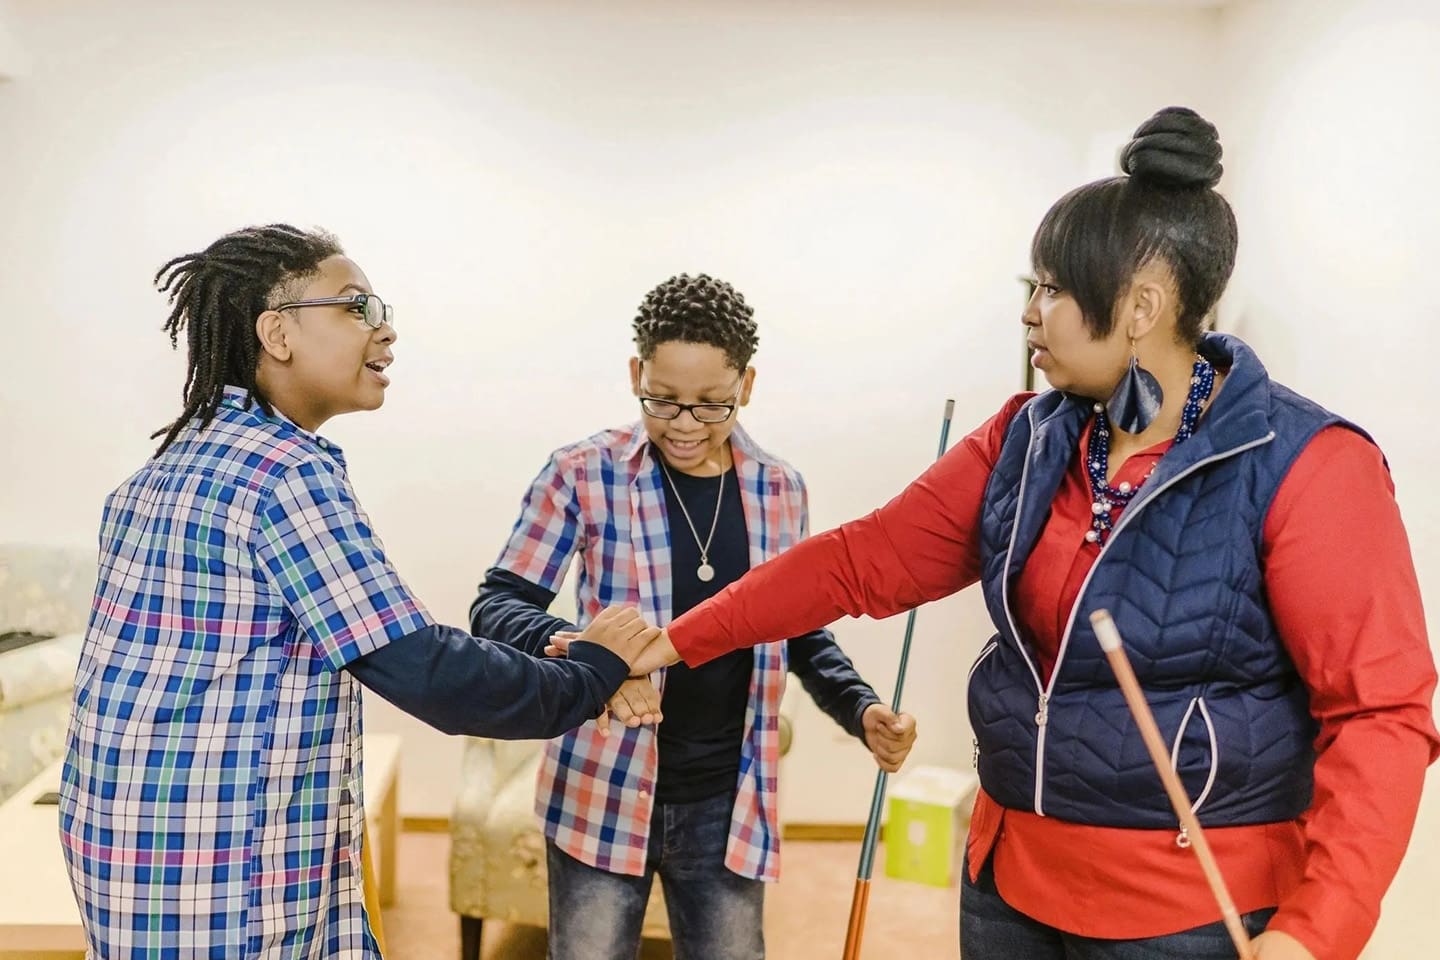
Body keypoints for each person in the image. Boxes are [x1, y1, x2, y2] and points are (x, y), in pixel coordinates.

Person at [602, 109, 1440, 960]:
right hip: (1010, 885)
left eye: (1052, 291)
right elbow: (859, 562)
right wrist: (672, 642)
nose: (1031, 317)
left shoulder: (1308, 464)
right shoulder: (1027, 437)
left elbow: (1382, 713)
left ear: (1141, 307)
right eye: (1028, 291)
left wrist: (1315, 930)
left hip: (1184, 916)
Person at [59, 224, 656, 959]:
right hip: (218, 871)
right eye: (358, 308)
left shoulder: (165, 470)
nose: (388, 330)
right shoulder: (281, 474)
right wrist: (594, 672)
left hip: (126, 848)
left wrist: (575, 659)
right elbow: (427, 670)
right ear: (277, 331)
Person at [471, 272, 918, 960]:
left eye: (712, 405)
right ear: (634, 374)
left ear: (748, 386)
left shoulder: (779, 489)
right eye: (664, 400)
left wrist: (860, 709)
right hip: (601, 789)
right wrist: (585, 652)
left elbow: (796, 630)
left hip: (728, 801)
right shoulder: (582, 473)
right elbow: (497, 605)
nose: (684, 425)